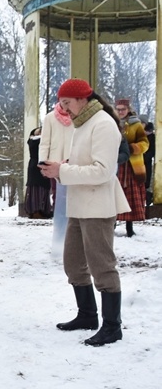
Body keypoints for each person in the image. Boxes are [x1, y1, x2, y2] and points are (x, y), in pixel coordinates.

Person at [39, 78, 130, 346]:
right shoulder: (83, 123)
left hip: (98, 207)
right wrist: (63, 164)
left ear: (82, 99)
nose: (64, 109)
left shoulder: (103, 124)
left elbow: (103, 170)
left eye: (67, 103)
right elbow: (85, 162)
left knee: (102, 265)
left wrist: (62, 171)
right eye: (62, 104)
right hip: (79, 206)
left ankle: (112, 326)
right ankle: (88, 314)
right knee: (73, 263)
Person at [39, 103, 74, 260]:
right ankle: (59, 244)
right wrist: (43, 163)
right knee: (59, 203)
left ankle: (73, 244)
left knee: (75, 202)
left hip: (74, 164)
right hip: (55, 165)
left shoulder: (77, 116)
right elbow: (44, 142)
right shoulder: (50, 118)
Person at [114, 98, 148, 237]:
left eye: (123, 109)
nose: (120, 112)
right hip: (117, 162)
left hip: (132, 165)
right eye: (118, 109)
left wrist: (132, 148)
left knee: (131, 195)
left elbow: (145, 143)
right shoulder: (112, 123)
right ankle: (112, 223)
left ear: (128, 110)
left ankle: (129, 226)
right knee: (114, 192)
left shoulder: (136, 124)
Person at [24, 126, 52, 218]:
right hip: (39, 164)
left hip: (35, 164)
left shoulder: (32, 141)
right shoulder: (36, 141)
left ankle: (37, 209)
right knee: (39, 187)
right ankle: (39, 209)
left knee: (37, 187)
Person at [143, 121, 155, 206]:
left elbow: (152, 151)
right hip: (140, 162)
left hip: (147, 162)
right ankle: (148, 197)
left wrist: (146, 156)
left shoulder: (152, 138)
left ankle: (148, 197)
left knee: (145, 183)